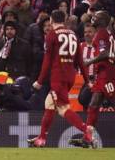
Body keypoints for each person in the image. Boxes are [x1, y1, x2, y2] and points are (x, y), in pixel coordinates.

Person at [28, 10, 92, 148]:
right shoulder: (73, 35)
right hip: (70, 76)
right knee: (50, 104)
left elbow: (47, 61)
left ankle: (86, 130)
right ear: (64, 20)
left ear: (51, 20)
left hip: (58, 77)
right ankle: (42, 138)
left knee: (63, 108)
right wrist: (87, 81)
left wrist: (39, 81)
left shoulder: (52, 35)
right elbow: (80, 61)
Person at [70, 11, 115, 147]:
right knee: (93, 104)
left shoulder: (101, 33)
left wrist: (89, 62)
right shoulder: (109, 34)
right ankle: (88, 138)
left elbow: (105, 53)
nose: (93, 18)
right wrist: (113, 60)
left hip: (107, 75)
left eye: (96, 17)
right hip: (103, 74)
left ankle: (87, 137)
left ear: (102, 20)